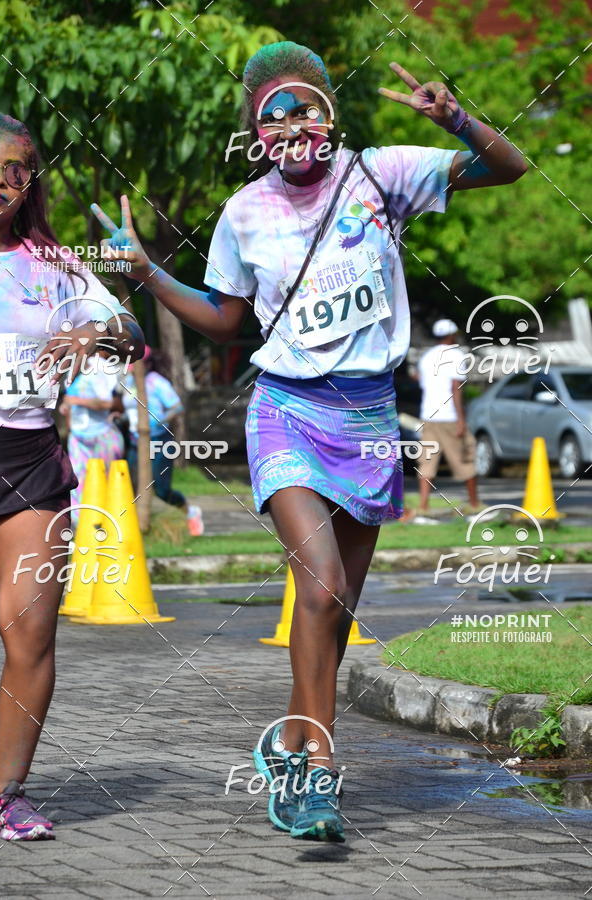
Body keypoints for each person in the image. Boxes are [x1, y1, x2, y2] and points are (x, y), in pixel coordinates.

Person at [93, 42, 527, 841]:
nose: (292, 125)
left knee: (335, 612)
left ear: (330, 115)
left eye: (306, 109)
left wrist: (457, 119)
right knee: (320, 589)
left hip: (369, 420)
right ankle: (317, 775)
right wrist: (147, 272)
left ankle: (291, 741)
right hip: (287, 410)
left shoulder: (383, 174)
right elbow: (226, 318)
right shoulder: (243, 213)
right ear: (256, 133)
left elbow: (510, 167)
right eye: (274, 116)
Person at [0, 113, 144, 840]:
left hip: (27, 464)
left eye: (15, 169)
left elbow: (130, 335)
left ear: (31, 182)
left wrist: (92, 331)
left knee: (30, 632)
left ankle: (3, 796)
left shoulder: (54, 265)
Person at [415, 319, 482, 519]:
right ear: (452, 334)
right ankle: (474, 503)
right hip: (449, 416)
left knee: (427, 460)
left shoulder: (426, 357)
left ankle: (423, 505)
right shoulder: (456, 356)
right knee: (465, 457)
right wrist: (461, 419)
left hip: (428, 415)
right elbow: (456, 388)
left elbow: (420, 381)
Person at [122, 346, 186, 509]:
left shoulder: (157, 381)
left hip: (159, 440)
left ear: (147, 364)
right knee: (131, 484)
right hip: (135, 441)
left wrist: (157, 422)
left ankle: (188, 511)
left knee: (161, 489)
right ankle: (136, 520)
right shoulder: (129, 382)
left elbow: (177, 408)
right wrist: (120, 416)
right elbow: (129, 407)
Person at [60, 361, 125, 519]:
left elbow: (109, 403)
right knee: (77, 483)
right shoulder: (71, 375)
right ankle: (80, 525)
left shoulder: (99, 371)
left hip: (102, 436)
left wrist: (77, 401)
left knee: (106, 482)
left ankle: (107, 523)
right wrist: (66, 409)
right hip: (78, 438)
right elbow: (69, 402)